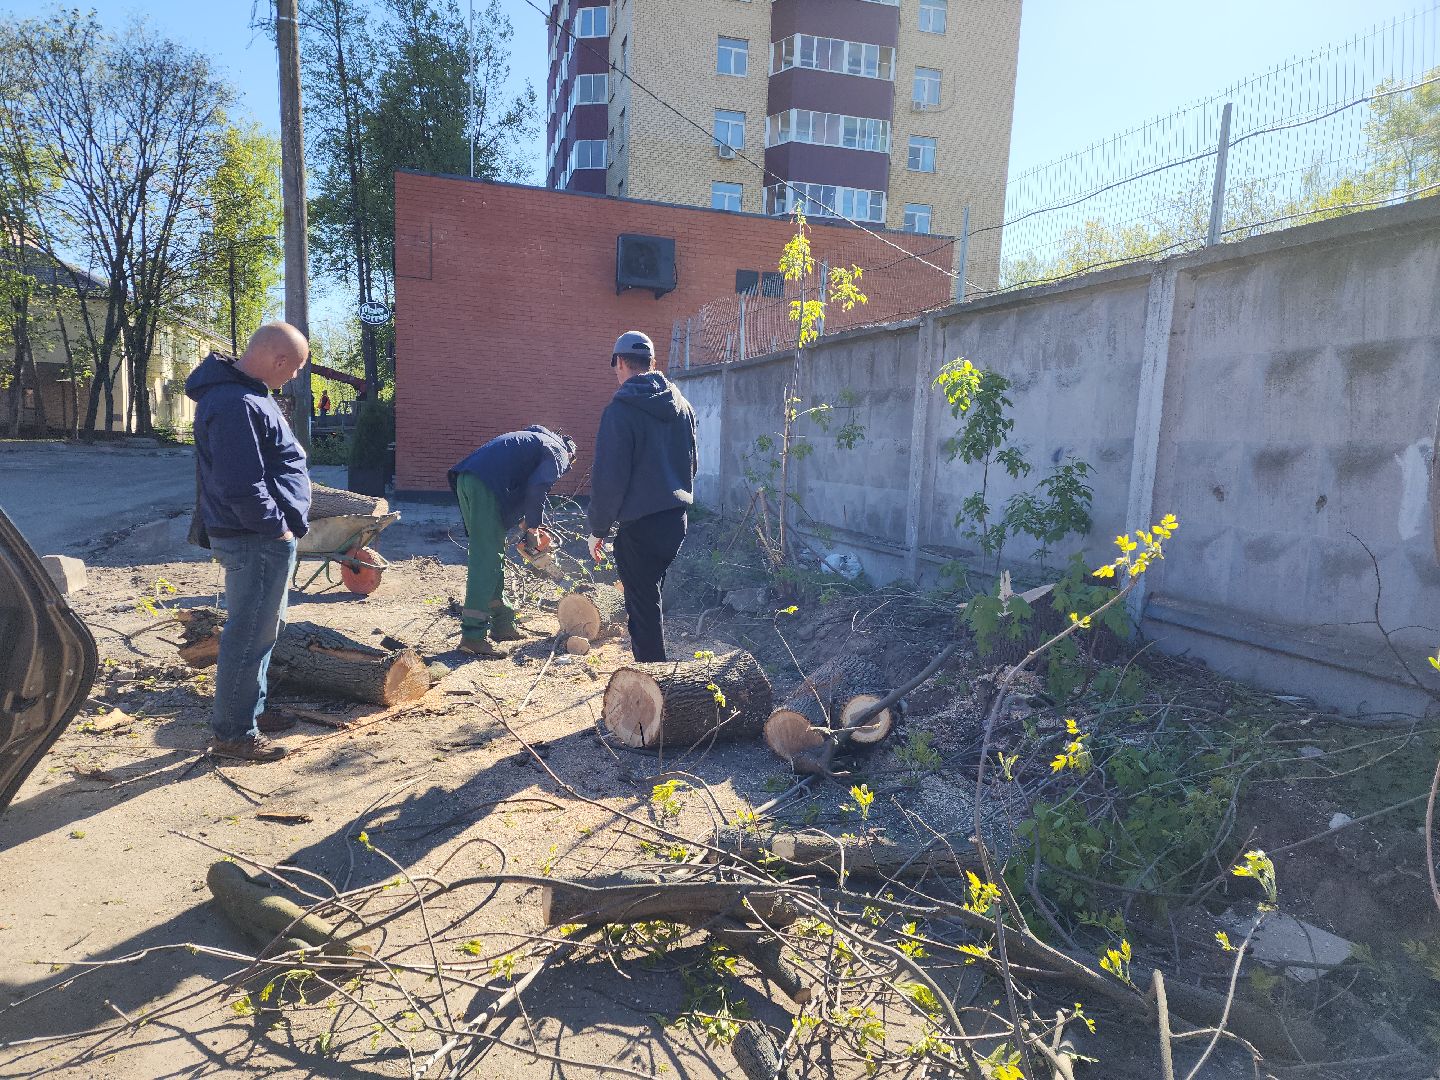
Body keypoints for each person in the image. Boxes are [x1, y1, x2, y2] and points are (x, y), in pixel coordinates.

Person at [185, 323, 312, 763]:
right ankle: (234, 733)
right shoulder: (235, 402)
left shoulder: (246, 394)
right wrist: (274, 527)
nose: (293, 376)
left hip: (260, 536)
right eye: (294, 368)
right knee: (249, 633)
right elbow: (241, 482)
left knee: (263, 629)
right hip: (255, 538)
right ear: (278, 361)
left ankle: (249, 710)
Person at [587, 331, 698, 662]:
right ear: (652, 363)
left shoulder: (620, 411)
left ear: (621, 363)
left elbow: (609, 479)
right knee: (650, 599)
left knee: (643, 611)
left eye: (616, 368)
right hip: (676, 521)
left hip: (640, 528)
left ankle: (655, 690)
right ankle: (657, 683)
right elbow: (693, 463)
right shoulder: (683, 406)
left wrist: (598, 528)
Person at [449, 426, 577, 657]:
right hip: (484, 485)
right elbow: (538, 487)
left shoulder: (536, 442)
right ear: (570, 455)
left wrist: (526, 526)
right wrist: (533, 529)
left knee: (492, 555)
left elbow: (521, 486)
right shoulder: (558, 450)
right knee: (485, 559)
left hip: (471, 480)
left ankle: (502, 624)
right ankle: (472, 637)